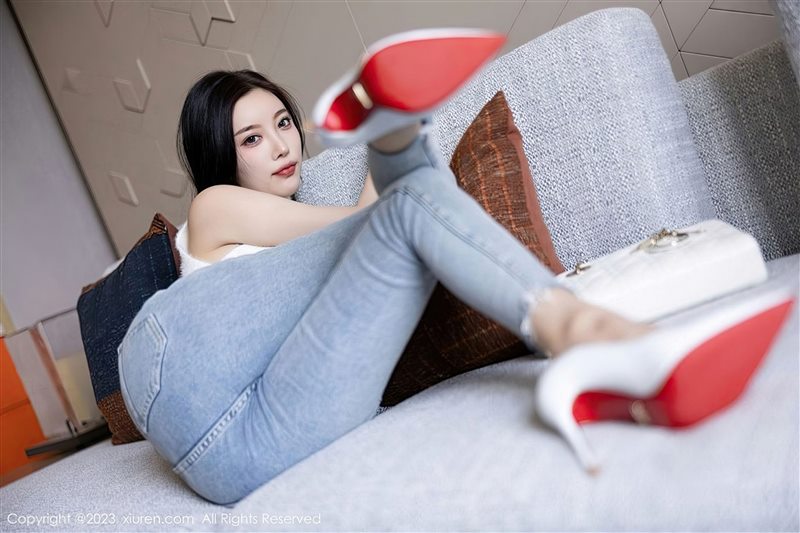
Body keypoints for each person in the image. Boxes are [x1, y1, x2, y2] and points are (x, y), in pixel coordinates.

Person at [117, 29, 793, 505]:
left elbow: (390, 220)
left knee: (413, 210)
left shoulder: (297, 238)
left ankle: (588, 341)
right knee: (403, 201)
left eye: (284, 123)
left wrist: (399, 158)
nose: (280, 144)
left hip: (272, 429)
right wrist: (395, 152)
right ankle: (391, 132)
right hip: (188, 373)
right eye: (252, 137)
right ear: (221, 156)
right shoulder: (214, 208)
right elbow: (353, 224)